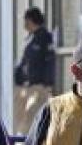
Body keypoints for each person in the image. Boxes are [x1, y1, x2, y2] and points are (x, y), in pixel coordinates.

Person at [13, 7, 55, 135]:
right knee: (19, 117)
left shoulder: (45, 37)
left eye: (26, 20)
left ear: (31, 20)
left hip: (39, 85)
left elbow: (50, 61)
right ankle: (19, 142)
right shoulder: (29, 39)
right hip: (26, 86)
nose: (24, 24)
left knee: (32, 115)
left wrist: (48, 84)